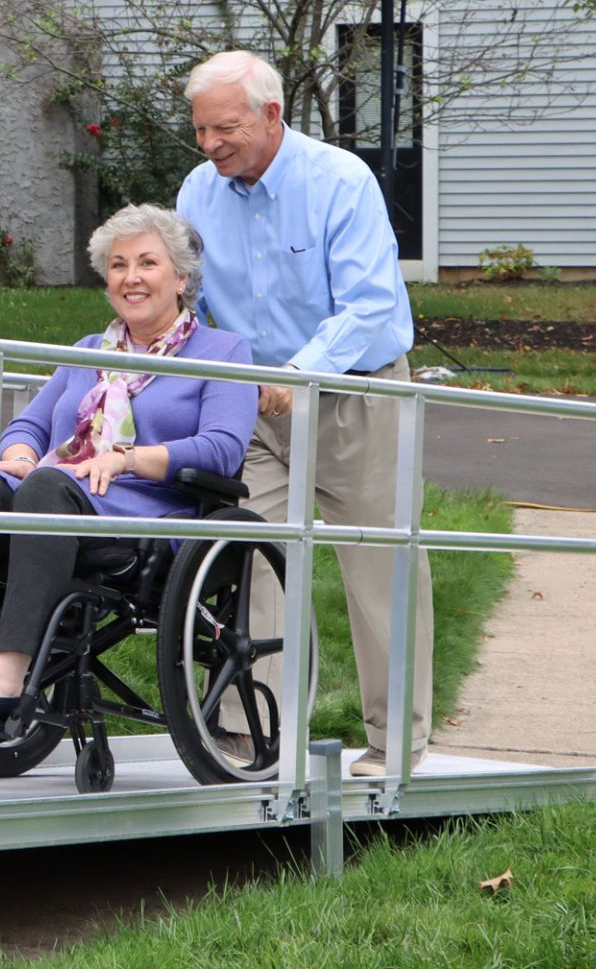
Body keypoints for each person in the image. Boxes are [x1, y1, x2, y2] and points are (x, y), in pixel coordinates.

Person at [0, 203, 257, 718]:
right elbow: (29, 426)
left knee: (44, 489)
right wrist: (17, 452)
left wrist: (129, 458)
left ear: (181, 277)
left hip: (147, 517)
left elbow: (222, 447)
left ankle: (7, 678)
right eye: (118, 265)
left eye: (147, 264)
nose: (131, 277)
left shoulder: (222, 352)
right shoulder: (90, 350)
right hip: (63, 500)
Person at [176, 49, 430, 777]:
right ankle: (254, 729)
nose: (210, 144)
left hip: (356, 393)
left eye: (224, 128)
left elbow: (370, 304)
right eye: (200, 130)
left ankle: (395, 746)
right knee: (251, 559)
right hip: (255, 402)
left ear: (272, 115)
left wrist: (302, 371)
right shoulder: (198, 191)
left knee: (378, 568)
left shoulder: (338, 181)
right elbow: (187, 297)